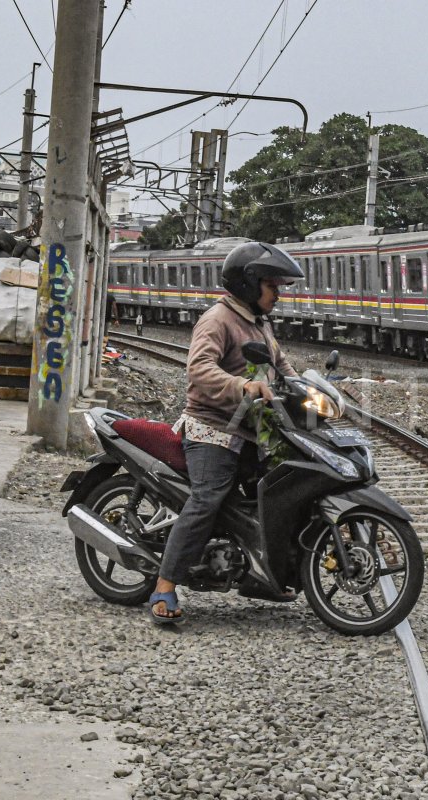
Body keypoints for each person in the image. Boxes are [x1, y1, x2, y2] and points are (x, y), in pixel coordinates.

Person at [148, 242, 303, 624]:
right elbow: (199, 369)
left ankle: (265, 574)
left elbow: (282, 367)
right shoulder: (217, 319)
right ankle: (165, 585)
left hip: (252, 431)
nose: (278, 293)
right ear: (250, 284)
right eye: (272, 285)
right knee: (208, 498)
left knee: (279, 493)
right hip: (212, 428)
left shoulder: (259, 323)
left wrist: (310, 391)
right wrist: (242, 386)